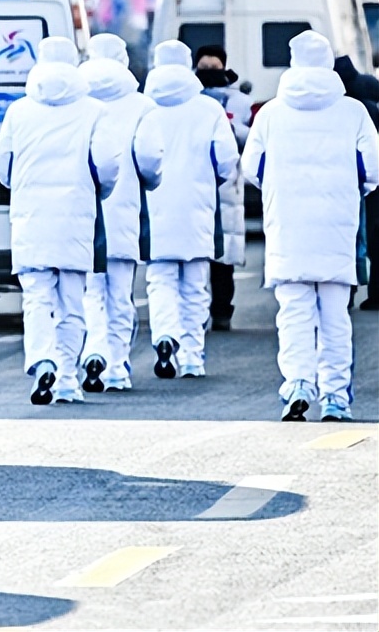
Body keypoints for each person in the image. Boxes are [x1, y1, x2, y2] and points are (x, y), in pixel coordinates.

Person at [243, 31, 379, 421]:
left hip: (288, 229)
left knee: (294, 315)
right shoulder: (353, 111)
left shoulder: (270, 113)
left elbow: (251, 168)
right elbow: (372, 170)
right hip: (338, 230)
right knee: (336, 318)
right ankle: (336, 397)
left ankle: (298, 385)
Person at [0, 36, 119, 405]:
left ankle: (40, 357)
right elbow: (108, 165)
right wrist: (99, 191)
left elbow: (1, 163)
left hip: (31, 217)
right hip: (77, 216)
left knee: (36, 297)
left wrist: (22, 187)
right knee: (71, 302)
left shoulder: (19, 110)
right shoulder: (94, 110)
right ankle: (66, 379)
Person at [138, 40, 240, 379]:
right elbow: (227, 160)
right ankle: (194, 358)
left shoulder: (144, 107)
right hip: (198, 206)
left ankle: (166, 335)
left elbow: (139, 157)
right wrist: (209, 181)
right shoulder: (208, 109)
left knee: (161, 278)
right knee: (196, 284)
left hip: (154, 205)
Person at [77, 33, 164, 393]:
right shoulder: (142, 106)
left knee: (91, 292)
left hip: (83, 212)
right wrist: (150, 181)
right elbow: (150, 157)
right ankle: (117, 368)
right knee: (120, 294)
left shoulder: (75, 102)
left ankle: (93, 348)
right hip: (125, 211)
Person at [194, 44, 253, 330]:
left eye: (214, 69)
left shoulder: (239, 101)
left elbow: (250, 139)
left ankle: (221, 311)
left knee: (223, 254)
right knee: (194, 252)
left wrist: (230, 128)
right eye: (203, 68)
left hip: (227, 187)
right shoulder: (189, 98)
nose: (208, 74)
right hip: (193, 183)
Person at [333, 54, 379, 310]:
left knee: (350, 235)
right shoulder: (370, 88)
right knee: (373, 237)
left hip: (349, 179)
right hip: (372, 178)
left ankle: (347, 290)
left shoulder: (344, 108)